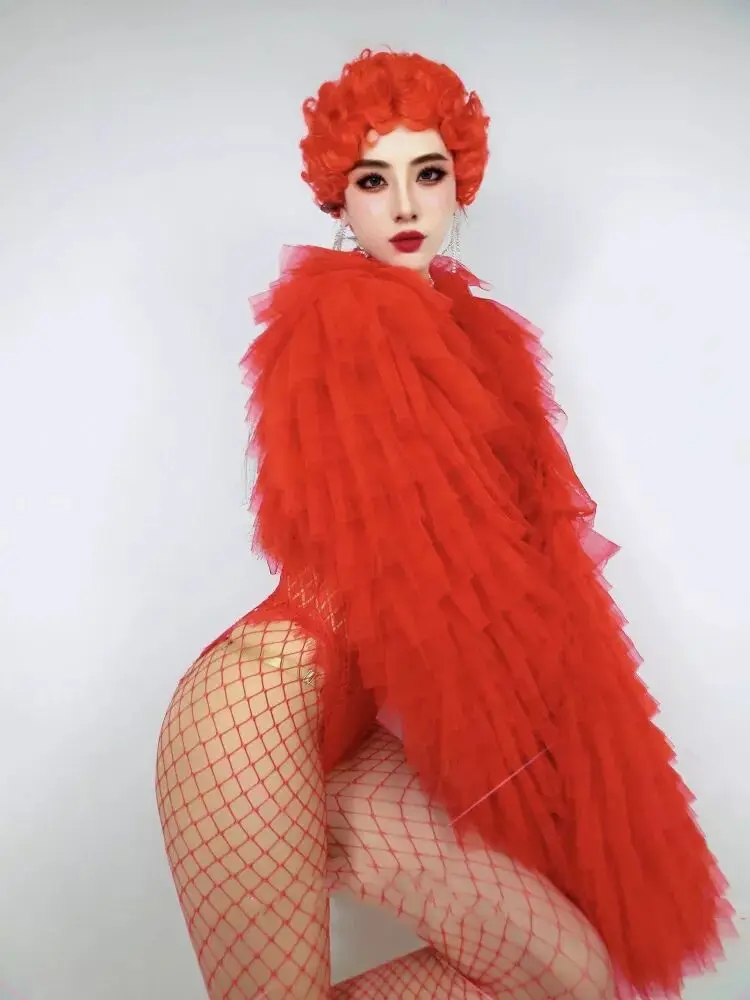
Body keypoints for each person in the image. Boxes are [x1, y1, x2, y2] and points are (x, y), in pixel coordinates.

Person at [155, 49, 732, 999]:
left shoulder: (476, 339)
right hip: (255, 710)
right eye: (372, 181)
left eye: (426, 173)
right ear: (338, 200)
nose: (405, 205)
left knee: (568, 973)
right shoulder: (338, 328)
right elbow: (428, 575)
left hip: (355, 727)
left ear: (460, 180)